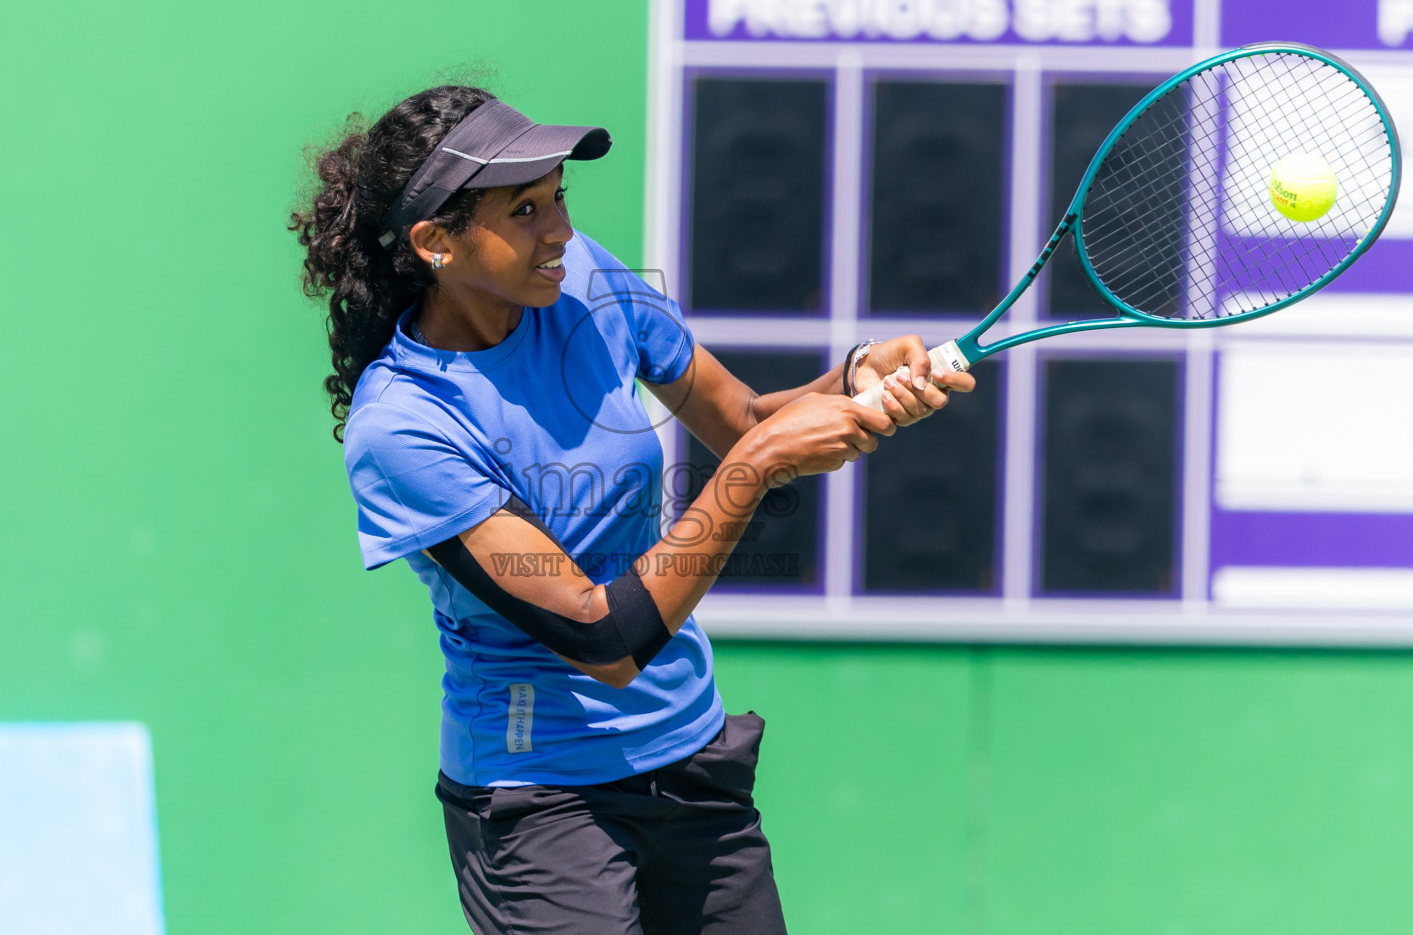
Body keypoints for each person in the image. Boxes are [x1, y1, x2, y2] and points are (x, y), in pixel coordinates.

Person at [290, 85, 974, 935]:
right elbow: (599, 637)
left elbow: (742, 422)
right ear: (435, 243)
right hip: (540, 810)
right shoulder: (403, 426)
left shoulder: (582, 280)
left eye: (559, 198)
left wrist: (855, 377)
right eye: (525, 210)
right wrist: (757, 468)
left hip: (692, 764)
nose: (561, 233)